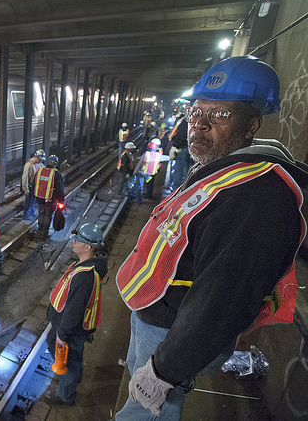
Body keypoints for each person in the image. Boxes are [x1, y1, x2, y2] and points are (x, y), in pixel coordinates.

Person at [115, 56, 308, 419]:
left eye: (218, 115)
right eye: (195, 112)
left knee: (146, 410)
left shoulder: (255, 199)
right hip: (160, 314)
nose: (199, 126)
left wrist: (163, 372)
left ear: (251, 124)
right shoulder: (227, 170)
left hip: (171, 332)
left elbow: (221, 300)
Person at [46, 223, 108, 405]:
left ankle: (66, 397)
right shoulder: (88, 265)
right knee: (74, 358)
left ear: (88, 247)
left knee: (68, 361)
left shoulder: (84, 277)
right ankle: (75, 376)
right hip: (75, 328)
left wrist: (62, 336)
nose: (74, 241)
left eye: (78, 240)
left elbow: (73, 312)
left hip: (71, 330)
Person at [33, 154, 65, 239]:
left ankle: (39, 230)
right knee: (48, 215)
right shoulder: (56, 173)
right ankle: (44, 233)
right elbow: (59, 189)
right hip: (50, 199)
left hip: (39, 198)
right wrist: (61, 201)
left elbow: (34, 184)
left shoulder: (40, 171)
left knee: (41, 214)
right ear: (56, 163)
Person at [163, 113, 193, 198]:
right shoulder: (191, 120)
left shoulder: (184, 121)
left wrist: (175, 146)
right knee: (185, 170)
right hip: (187, 148)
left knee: (178, 170)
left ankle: (175, 191)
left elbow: (181, 135)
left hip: (181, 149)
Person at [133, 138, 163, 204]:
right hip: (151, 173)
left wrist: (135, 172)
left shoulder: (146, 154)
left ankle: (138, 200)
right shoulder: (159, 155)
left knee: (139, 186)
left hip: (142, 172)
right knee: (150, 185)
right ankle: (149, 196)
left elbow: (139, 164)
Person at [22, 149, 45, 221]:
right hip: (30, 187)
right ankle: (26, 215)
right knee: (28, 202)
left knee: (34, 201)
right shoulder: (29, 165)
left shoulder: (39, 163)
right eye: (40, 160)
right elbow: (25, 178)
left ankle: (31, 213)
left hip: (37, 187)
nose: (41, 162)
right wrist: (25, 189)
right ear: (36, 157)